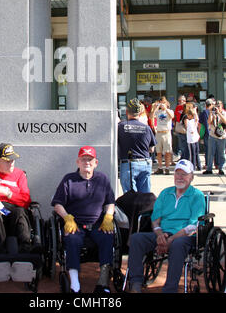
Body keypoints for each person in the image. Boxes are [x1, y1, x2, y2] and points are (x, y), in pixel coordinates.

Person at [128, 159, 206, 293]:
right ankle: (135, 283)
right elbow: (155, 219)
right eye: (177, 174)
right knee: (136, 239)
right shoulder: (165, 193)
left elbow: (193, 226)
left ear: (191, 177)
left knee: (177, 245)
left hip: (185, 236)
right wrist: (160, 236)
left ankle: (170, 289)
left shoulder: (197, 196)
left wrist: (171, 239)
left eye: (184, 174)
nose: (180, 177)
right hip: (163, 234)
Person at [51, 146, 115, 293]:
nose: (87, 162)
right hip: (75, 223)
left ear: (96, 162)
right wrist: (67, 218)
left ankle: (103, 283)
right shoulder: (69, 179)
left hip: (98, 223)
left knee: (107, 237)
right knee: (72, 240)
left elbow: (110, 202)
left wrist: (109, 216)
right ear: (78, 162)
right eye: (84, 159)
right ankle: (75, 284)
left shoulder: (102, 179)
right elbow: (57, 204)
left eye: (90, 159)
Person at [118, 98, 156, 193]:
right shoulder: (147, 128)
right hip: (145, 163)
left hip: (129, 164)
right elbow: (151, 149)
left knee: (130, 199)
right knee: (145, 198)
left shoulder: (121, 126)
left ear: (127, 112)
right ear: (140, 113)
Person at [151, 97, 174, 175]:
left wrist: (166, 109)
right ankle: (160, 167)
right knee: (159, 152)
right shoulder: (158, 112)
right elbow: (152, 116)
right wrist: (156, 107)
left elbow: (172, 116)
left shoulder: (170, 111)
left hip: (166, 133)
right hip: (159, 133)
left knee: (167, 152)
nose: (162, 104)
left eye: (163, 103)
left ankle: (167, 168)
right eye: (161, 103)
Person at [203, 100, 226, 175]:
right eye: (216, 106)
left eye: (219, 106)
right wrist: (210, 113)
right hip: (212, 135)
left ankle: (221, 168)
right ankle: (209, 169)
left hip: (221, 136)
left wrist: (219, 113)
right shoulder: (213, 113)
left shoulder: (223, 113)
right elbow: (209, 122)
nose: (217, 107)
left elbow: (225, 121)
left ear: (222, 106)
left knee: (221, 153)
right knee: (210, 153)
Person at [199, 98, 214, 170]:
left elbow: (201, 123)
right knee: (209, 150)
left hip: (208, 134)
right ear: (210, 105)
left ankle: (208, 164)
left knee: (208, 150)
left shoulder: (204, 112)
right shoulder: (206, 112)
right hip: (209, 133)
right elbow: (205, 123)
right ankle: (208, 164)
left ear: (206, 105)